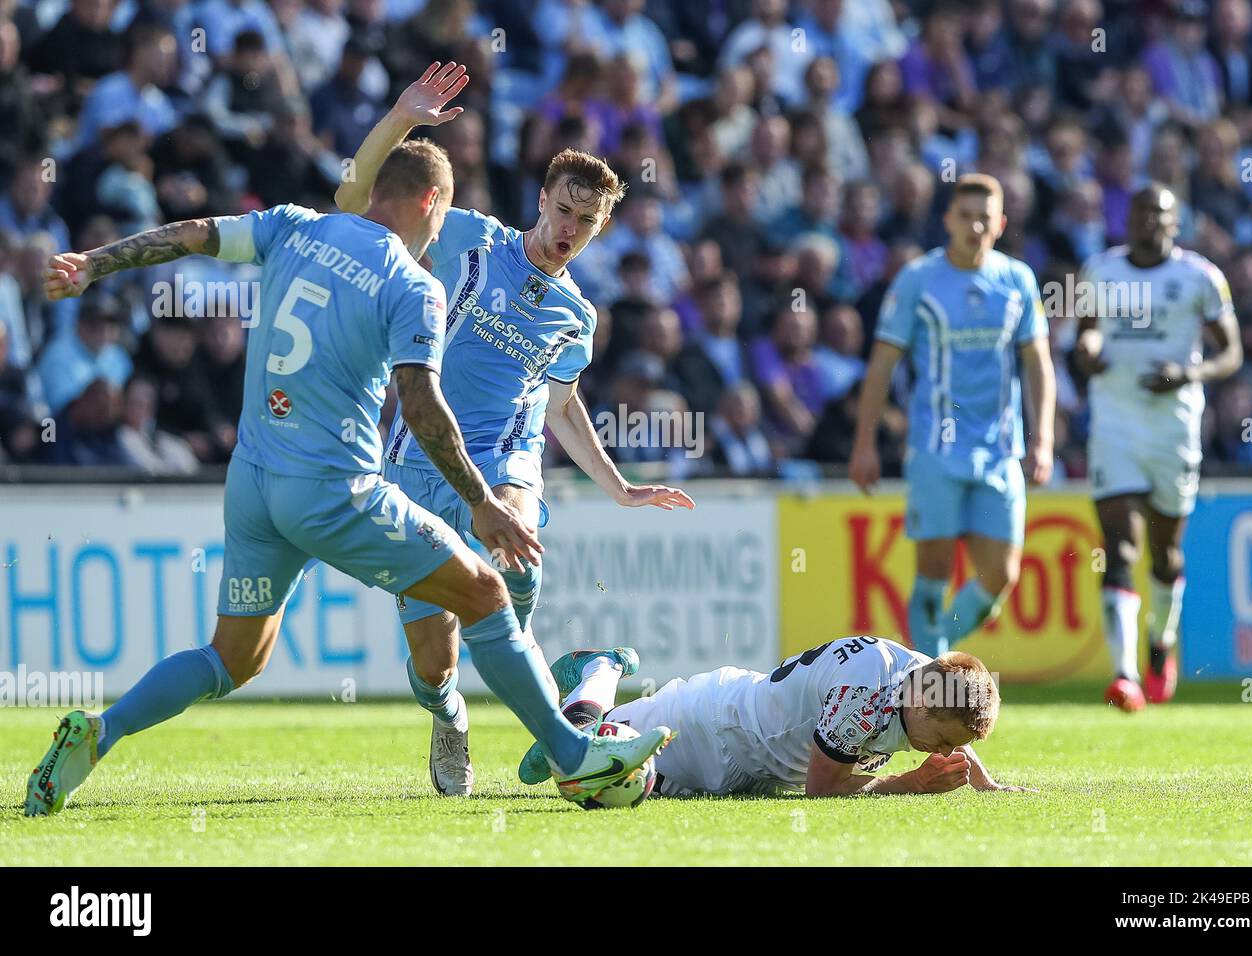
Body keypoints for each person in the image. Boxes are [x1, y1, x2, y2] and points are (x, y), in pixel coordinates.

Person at [25, 91, 671, 816]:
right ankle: (573, 752)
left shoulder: (293, 226)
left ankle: (100, 732)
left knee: (231, 659)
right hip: (340, 489)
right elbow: (422, 409)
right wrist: (482, 504)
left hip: (254, 483)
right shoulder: (413, 282)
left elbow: (196, 233)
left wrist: (94, 264)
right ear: (434, 203)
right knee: (486, 595)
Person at [335, 61, 694, 796]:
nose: (571, 229)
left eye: (587, 222)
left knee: (518, 554)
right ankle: (449, 713)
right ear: (542, 200)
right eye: (565, 210)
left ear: (600, 229)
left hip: (507, 460)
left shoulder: (578, 318)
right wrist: (403, 117)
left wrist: (619, 485)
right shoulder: (468, 238)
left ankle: (557, 720)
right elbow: (355, 195)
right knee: (432, 661)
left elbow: (560, 407)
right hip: (417, 463)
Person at [849, 174, 1056, 659]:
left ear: (1001, 224)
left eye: (985, 217)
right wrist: (864, 443)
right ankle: (934, 679)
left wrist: (1043, 438)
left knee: (999, 578)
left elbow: (1038, 363)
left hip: (1000, 449)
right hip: (936, 450)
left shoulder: (1017, 280)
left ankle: (932, 654)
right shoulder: (918, 279)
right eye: (965, 216)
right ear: (948, 220)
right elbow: (883, 363)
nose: (975, 226)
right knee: (933, 574)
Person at [1072, 184, 1242, 711]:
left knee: (1164, 553)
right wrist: (1087, 351)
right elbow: (1088, 335)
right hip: (1115, 422)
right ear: (1127, 220)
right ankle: (1124, 676)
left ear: (1176, 223)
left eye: (1160, 214)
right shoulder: (1099, 271)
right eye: (1141, 213)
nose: (1150, 222)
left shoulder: (1200, 277)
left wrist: (1189, 373)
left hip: (1174, 427)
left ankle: (1159, 643)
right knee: (1119, 544)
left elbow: (1230, 352)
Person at [516, 638, 1032, 798]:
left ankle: (578, 725)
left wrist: (985, 782)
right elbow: (822, 789)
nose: (943, 753)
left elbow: (952, 718)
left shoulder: (931, 682)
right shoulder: (867, 696)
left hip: (749, 766)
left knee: (606, 788)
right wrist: (911, 783)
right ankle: (597, 671)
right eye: (941, 742)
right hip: (708, 726)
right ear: (921, 703)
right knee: (590, 766)